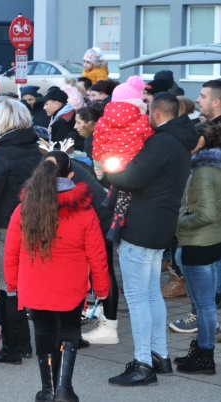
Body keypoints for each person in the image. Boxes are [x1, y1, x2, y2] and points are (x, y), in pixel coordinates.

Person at [106, 92, 197, 386]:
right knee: (151, 293)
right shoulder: (181, 140)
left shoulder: (160, 142)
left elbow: (130, 178)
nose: (145, 116)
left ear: (157, 112)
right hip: (161, 226)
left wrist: (109, 169)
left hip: (142, 227)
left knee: (137, 298)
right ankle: (160, 355)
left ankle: (143, 363)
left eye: (147, 111)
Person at [5, 152, 109, 400]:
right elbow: (97, 254)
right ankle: (64, 388)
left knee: (43, 333)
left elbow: (11, 251)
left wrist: (12, 284)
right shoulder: (84, 211)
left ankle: (47, 390)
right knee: (70, 331)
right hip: (71, 287)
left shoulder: (24, 208)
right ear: (70, 175)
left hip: (34, 286)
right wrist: (102, 289)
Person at [0, 100, 42, 365]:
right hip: (32, 221)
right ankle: (26, 344)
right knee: (24, 283)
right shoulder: (34, 147)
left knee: (7, 286)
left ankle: (12, 347)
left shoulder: (2, 153)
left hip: (5, 224)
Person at [171, 122, 221, 375]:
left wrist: (176, 222)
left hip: (198, 243)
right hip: (210, 242)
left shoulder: (202, 172)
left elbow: (206, 214)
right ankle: (201, 350)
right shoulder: (213, 168)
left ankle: (204, 355)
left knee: (204, 305)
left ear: (200, 142)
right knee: (207, 303)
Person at [92, 76, 154, 243]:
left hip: (110, 162)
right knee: (125, 197)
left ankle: (109, 201)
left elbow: (97, 141)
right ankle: (116, 226)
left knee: (117, 185)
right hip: (132, 164)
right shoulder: (142, 120)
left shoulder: (102, 120)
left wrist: (98, 163)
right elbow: (150, 139)